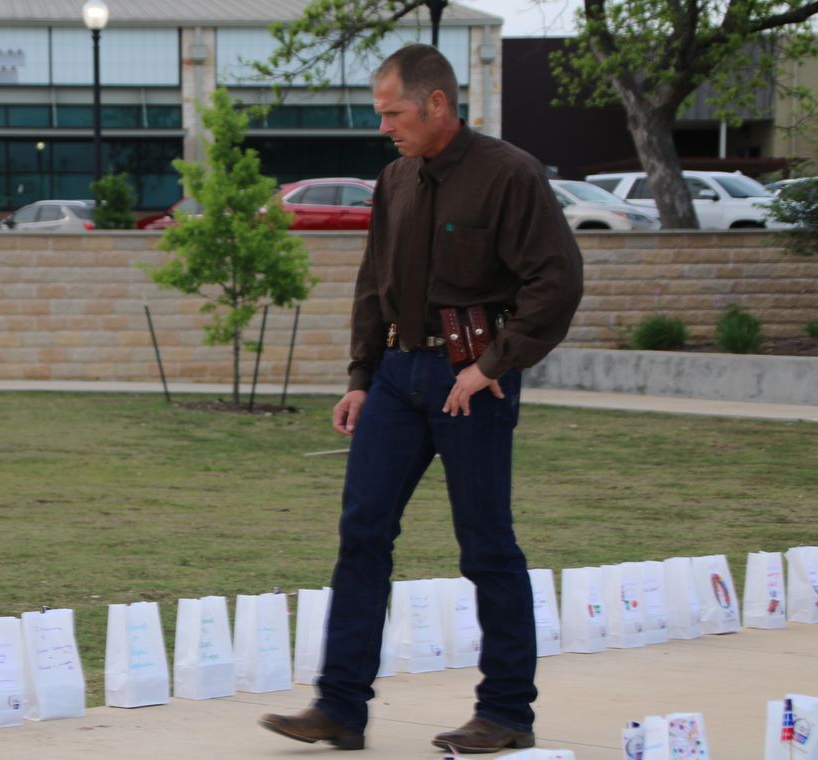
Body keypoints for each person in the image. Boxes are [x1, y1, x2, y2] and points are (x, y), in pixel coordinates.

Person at [259, 44, 583, 754]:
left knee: (487, 547)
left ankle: (505, 714)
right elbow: (374, 285)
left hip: (473, 383)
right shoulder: (396, 180)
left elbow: (555, 284)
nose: (385, 126)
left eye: (393, 111)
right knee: (362, 534)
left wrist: (493, 363)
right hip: (398, 381)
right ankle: (340, 707)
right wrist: (358, 378)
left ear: (437, 103)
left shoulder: (511, 176)